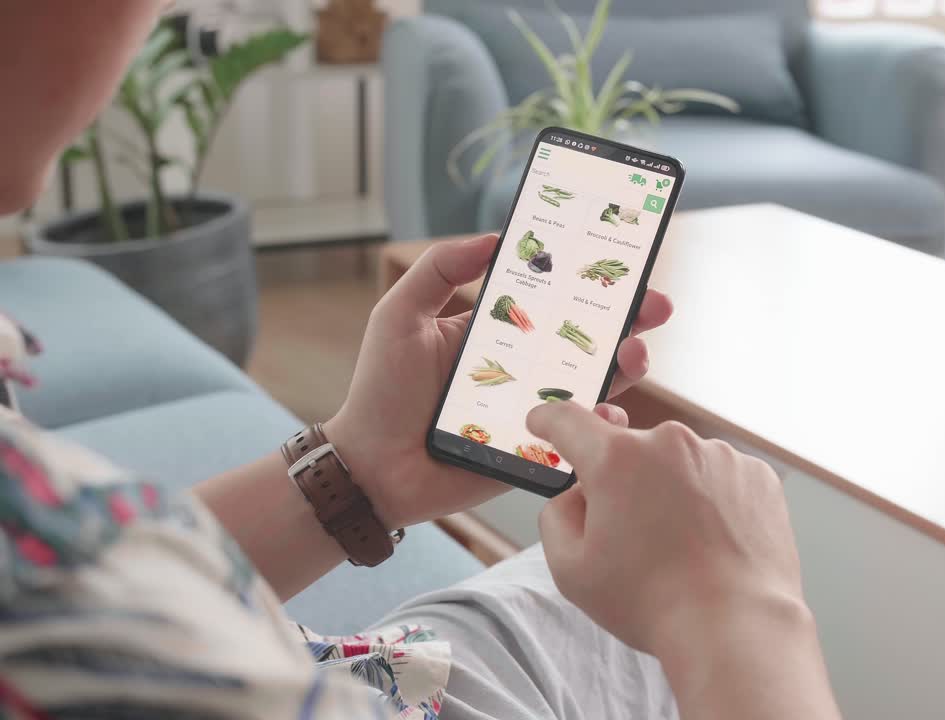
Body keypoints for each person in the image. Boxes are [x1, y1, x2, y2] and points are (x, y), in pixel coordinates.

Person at [0, 3, 841, 719]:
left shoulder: (57, 584)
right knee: (690, 574)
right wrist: (739, 613)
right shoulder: (51, 582)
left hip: (317, 657)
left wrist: (361, 469)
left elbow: (127, 590)